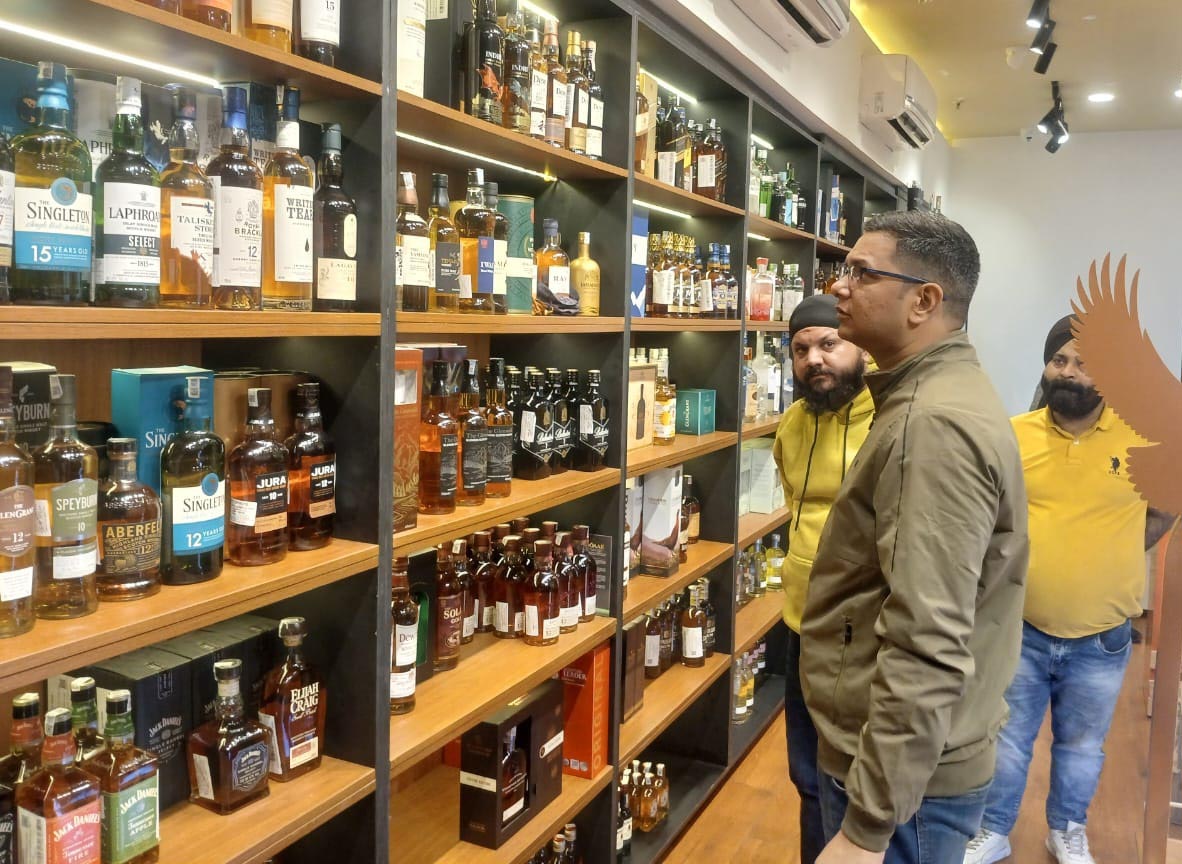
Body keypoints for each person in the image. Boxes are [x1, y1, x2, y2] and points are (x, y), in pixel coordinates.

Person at [799, 210, 1029, 864]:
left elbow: (927, 638)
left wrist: (867, 827)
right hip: (906, 766)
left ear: (924, 301)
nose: (839, 286)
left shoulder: (932, 425)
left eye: (862, 273)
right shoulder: (927, 394)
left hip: (905, 789)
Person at [964, 316, 1175, 864]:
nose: (1070, 372)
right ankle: (993, 829)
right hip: (1021, 627)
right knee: (1008, 739)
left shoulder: (1143, 440)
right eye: (1059, 360)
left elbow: (1163, 510)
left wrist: (1112, 549)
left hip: (1101, 636)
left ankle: (1067, 829)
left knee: (1082, 746)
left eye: (1085, 364)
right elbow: (989, 519)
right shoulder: (1014, 435)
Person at [773, 293, 875, 864]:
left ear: (859, 347)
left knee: (855, 775)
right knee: (807, 772)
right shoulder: (792, 424)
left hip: (864, 635)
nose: (814, 359)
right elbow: (795, 505)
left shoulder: (889, 420)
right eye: (801, 349)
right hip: (801, 625)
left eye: (829, 344)